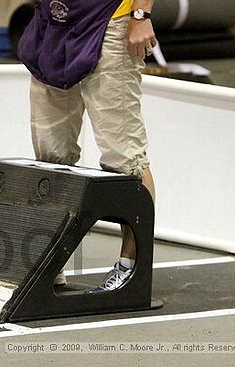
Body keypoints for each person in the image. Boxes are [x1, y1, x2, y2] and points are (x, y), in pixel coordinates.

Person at [19, 0, 157, 290]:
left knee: (124, 158)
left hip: (109, 21)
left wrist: (140, 15)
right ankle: (50, 262)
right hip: (52, 22)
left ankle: (131, 267)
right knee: (50, 156)